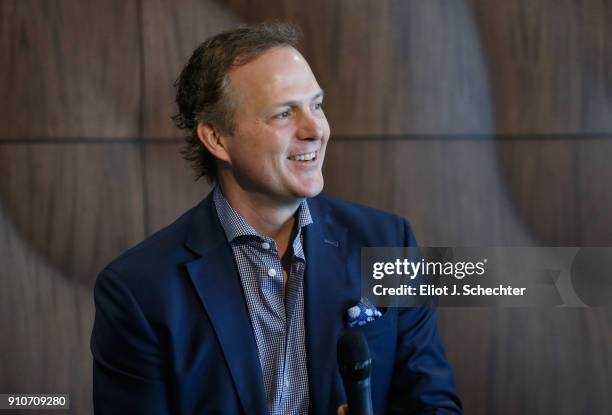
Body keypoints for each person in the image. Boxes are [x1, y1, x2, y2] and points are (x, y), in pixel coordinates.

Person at [90, 22, 462, 415]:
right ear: (217, 138)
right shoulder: (138, 289)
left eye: (316, 105)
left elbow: (432, 403)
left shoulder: (389, 241)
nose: (315, 129)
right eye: (284, 114)